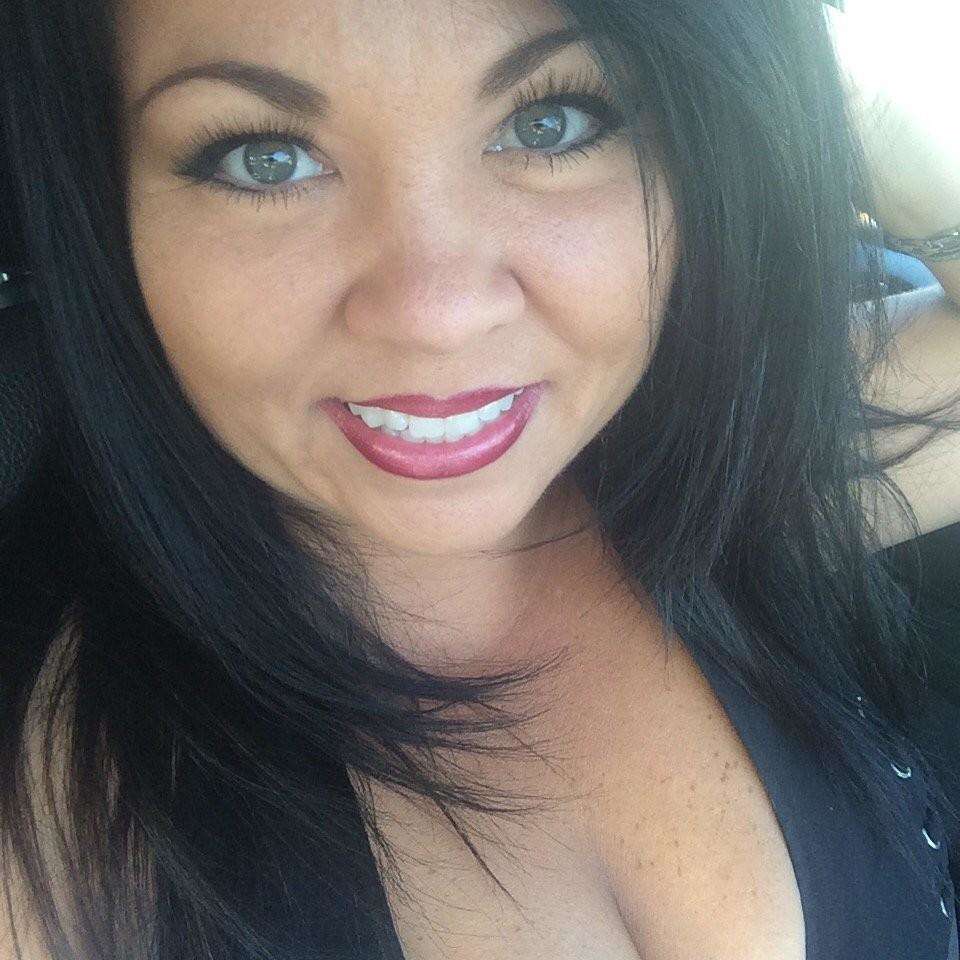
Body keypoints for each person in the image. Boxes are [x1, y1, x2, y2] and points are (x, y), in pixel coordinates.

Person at [1, 0, 959, 957]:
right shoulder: (67, 841)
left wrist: (828, 79)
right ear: (106, 211)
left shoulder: (724, 467)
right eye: (265, 159)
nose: (437, 314)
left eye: (551, 125)